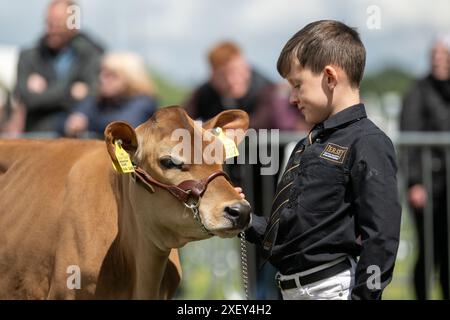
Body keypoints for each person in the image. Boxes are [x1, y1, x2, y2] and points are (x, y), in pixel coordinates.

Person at [243, 20, 402, 300]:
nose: (292, 99)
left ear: (329, 78)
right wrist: (245, 219)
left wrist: (364, 297)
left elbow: (381, 237)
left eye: (297, 85)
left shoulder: (368, 142)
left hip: (332, 291)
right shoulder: (308, 144)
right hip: (289, 290)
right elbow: (296, 232)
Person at [400, 36, 450, 300]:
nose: (439, 60)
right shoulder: (417, 91)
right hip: (428, 186)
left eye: (444, 54)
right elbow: (409, 142)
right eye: (435, 55)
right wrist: (414, 182)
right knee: (429, 249)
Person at [13, 0, 103, 133]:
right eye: (49, 23)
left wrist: (46, 92)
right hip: (39, 136)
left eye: (58, 24)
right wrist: (70, 92)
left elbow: (94, 94)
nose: (51, 29)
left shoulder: (92, 55)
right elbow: (28, 99)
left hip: (77, 139)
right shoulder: (29, 57)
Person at [184, 41, 303, 130]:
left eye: (236, 71)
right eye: (223, 75)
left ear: (246, 68)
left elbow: (257, 124)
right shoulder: (204, 93)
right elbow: (182, 117)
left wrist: (211, 128)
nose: (232, 80)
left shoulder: (267, 90)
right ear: (213, 76)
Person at [63, 52, 158, 138]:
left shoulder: (144, 102)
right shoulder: (99, 99)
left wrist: (85, 124)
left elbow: (122, 127)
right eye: (102, 73)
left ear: (130, 79)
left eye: (111, 75)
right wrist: (73, 122)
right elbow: (68, 120)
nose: (101, 79)